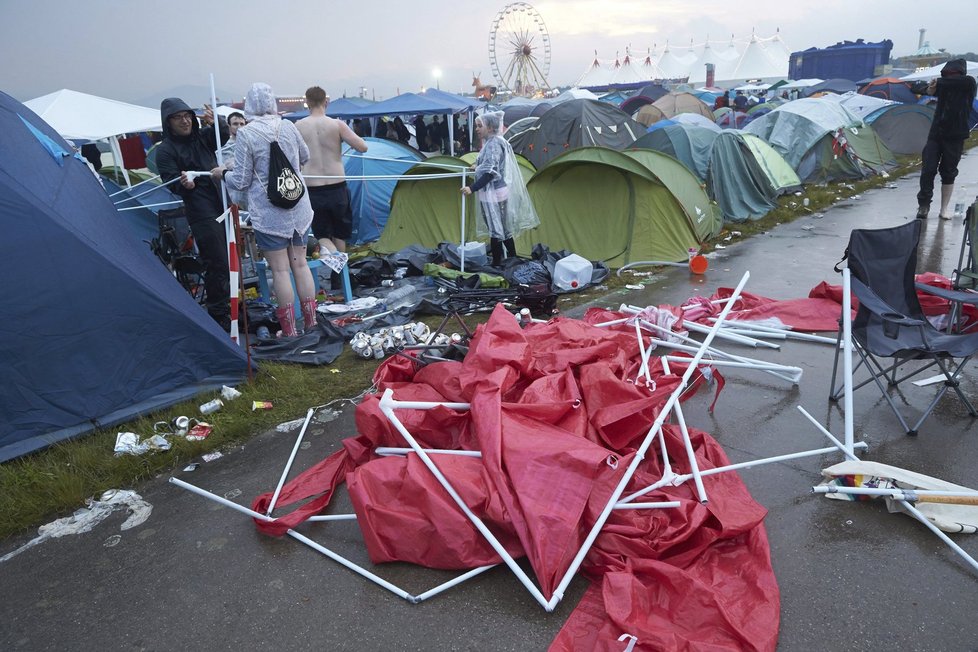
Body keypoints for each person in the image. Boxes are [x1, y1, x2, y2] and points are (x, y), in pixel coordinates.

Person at [211, 83, 316, 337]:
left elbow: (242, 180)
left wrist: (223, 173)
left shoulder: (246, 134)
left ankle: (290, 331)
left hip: (269, 213)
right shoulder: (289, 126)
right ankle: (312, 324)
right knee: (300, 265)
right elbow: (305, 155)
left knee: (280, 271)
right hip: (298, 205)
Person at [156, 98, 231, 331]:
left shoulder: (203, 137)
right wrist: (183, 185)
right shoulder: (165, 150)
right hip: (200, 209)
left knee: (231, 258)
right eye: (178, 117)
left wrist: (215, 120)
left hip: (223, 202)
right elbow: (170, 180)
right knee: (217, 260)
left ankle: (233, 304)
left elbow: (224, 134)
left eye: (187, 115)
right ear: (168, 122)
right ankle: (219, 312)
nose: (185, 120)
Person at [295, 85, 367, 291]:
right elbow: (363, 147)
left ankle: (339, 270)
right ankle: (340, 274)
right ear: (326, 102)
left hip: (313, 188)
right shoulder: (337, 125)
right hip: (337, 187)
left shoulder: (298, 126)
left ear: (306, 102)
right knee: (340, 234)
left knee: (322, 234)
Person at [460, 112, 539, 266]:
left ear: (490, 128)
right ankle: (512, 258)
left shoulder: (494, 144)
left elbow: (491, 172)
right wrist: (478, 166)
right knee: (503, 228)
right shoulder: (493, 142)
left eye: (479, 126)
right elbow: (492, 164)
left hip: (493, 194)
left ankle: (497, 263)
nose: (476, 129)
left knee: (495, 230)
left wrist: (472, 188)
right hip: (497, 192)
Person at [916, 59, 977, 220]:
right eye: (947, 74)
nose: (951, 77)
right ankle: (924, 206)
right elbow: (920, 89)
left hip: (956, 135)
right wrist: (929, 88)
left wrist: (937, 82)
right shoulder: (942, 86)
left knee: (948, 172)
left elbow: (953, 82)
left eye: (953, 74)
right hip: (936, 133)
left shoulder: (968, 82)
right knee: (928, 169)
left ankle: (944, 209)